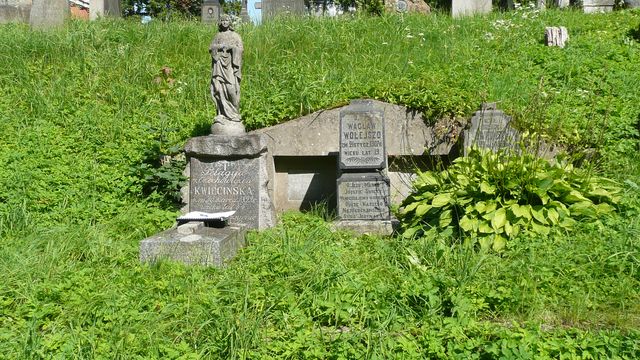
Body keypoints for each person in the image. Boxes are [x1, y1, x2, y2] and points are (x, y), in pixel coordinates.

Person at [209, 15, 244, 134]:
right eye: (222, 20)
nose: (224, 22)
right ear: (220, 22)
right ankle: (221, 114)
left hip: (230, 66)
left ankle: (235, 114)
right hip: (219, 66)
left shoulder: (235, 36)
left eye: (227, 20)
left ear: (230, 22)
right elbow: (211, 48)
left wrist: (232, 48)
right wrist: (219, 46)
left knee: (231, 89)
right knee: (219, 89)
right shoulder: (218, 36)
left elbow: (240, 49)